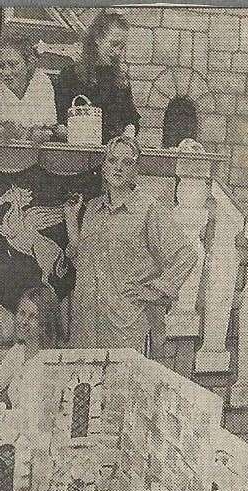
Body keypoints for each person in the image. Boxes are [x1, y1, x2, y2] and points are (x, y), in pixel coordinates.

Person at [64, 134, 198, 356]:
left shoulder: (148, 209)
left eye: (127, 163)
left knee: (127, 389)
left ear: (136, 171)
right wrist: (71, 219)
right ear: (104, 167)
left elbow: (186, 254)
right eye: (112, 161)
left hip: (127, 325)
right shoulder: (91, 209)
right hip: (87, 325)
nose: (118, 168)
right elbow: (84, 264)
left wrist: (154, 291)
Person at [53, 10, 141, 144]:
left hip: (109, 156)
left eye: (122, 46)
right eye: (114, 44)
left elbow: (131, 119)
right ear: (98, 39)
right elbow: (58, 120)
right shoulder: (69, 75)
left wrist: (128, 133)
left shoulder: (121, 79)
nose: (117, 51)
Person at [0, 285, 61, 411]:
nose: (24, 322)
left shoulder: (51, 360)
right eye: (22, 313)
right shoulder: (17, 352)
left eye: (33, 317)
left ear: (44, 324)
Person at [0, 37, 61, 143]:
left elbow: (47, 130)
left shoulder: (41, 81)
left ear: (29, 63)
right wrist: (5, 132)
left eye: (13, 65)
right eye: (1, 66)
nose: (6, 72)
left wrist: (30, 133)